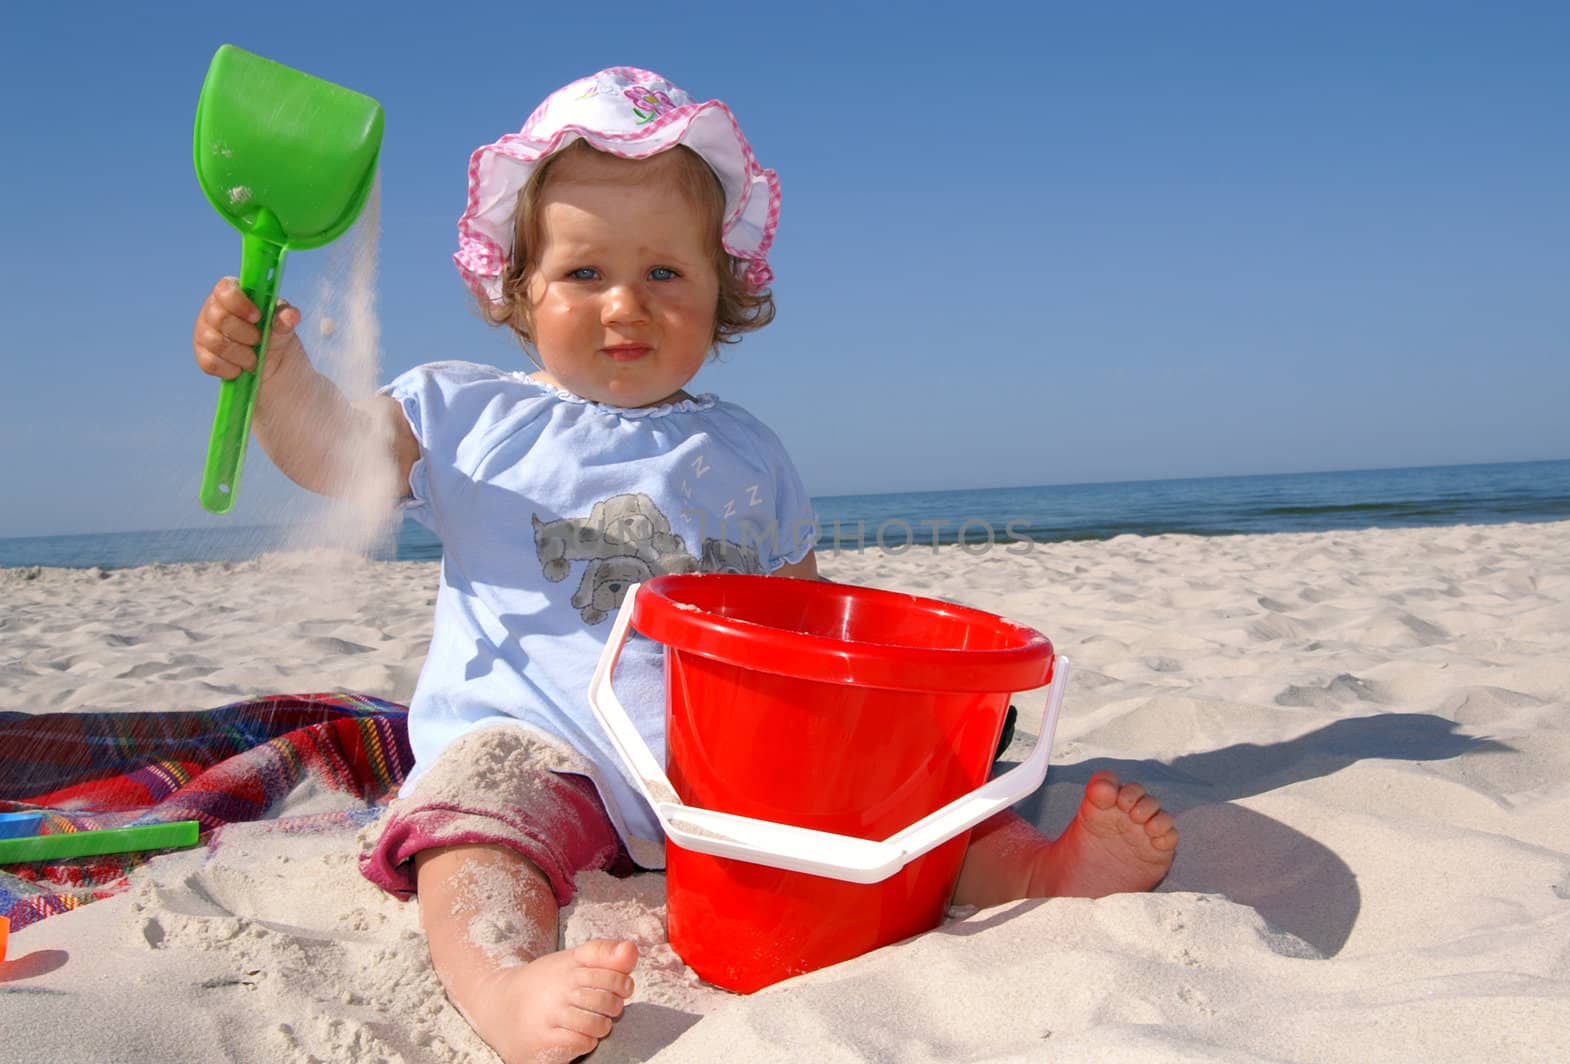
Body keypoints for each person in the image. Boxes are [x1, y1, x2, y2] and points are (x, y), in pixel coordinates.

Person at [191, 67, 1179, 1064]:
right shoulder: (469, 412)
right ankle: (501, 977)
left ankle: (1035, 871)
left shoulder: (746, 451)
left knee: (902, 799)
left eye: (665, 274)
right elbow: (337, 453)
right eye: (584, 274)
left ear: (722, 293)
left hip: (718, 760)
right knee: (474, 830)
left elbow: (802, 613)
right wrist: (277, 380)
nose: (626, 303)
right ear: (521, 288)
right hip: (544, 745)